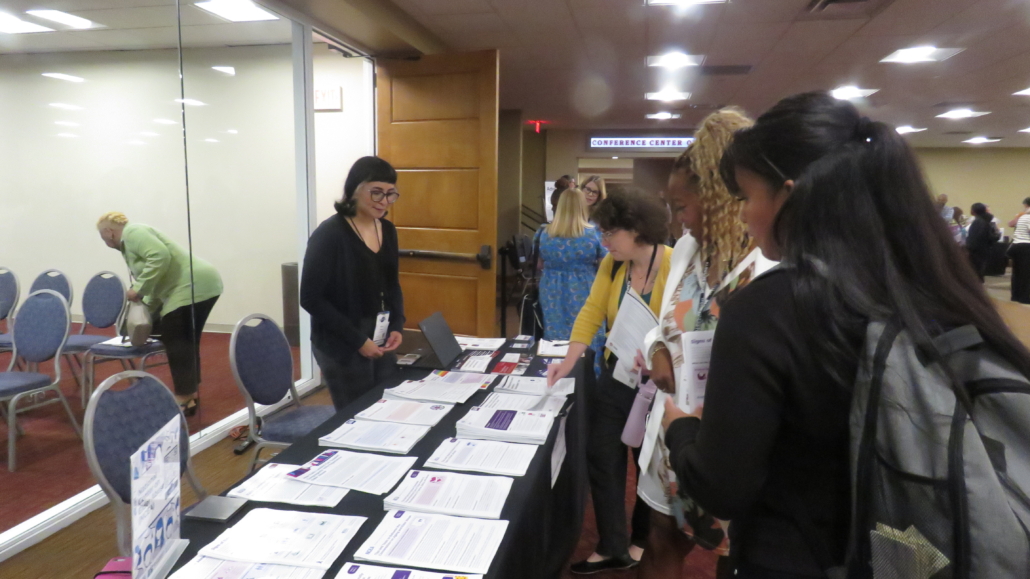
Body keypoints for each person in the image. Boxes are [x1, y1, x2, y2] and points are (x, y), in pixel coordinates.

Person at [660, 91, 1030, 578]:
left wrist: (681, 428)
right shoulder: (934, 289)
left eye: (749, 198)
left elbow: (723, 486)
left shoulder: (767, 310)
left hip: (798, 557)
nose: (746, 217)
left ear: (789, 195)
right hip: (915, 549)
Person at [633, 108, 764, 579]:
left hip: (731, 444)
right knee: (661, 542)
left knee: (735, 559)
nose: (674, 221)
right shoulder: (687, 252)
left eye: (682, 206)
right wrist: (657, 350)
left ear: (721, 200)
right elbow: (662, 325)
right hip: (673, 430)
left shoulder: (765, 266)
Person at [547, 187, 673, 574]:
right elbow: (591, 311)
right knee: (602, 454)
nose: (604, 241)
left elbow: (684, 326)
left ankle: (639, 540)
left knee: (647, 464)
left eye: (610, 233)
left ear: (637, 229)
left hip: (660, 381)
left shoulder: (671, 263)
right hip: (619, 374)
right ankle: (612, 544)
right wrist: (568, 360)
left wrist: (659, 355)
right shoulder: (613, 265)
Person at [300, 156, 405, 411]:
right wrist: (358, 340)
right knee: (356, 415)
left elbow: (392, 284)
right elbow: (310, 298)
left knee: (385, 408)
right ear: (354, 190)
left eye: (391, 194)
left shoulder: (387, 230)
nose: (384, 202)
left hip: (378, 334)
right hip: (341, 341)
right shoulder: (330, 234)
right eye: (376, 193)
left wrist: (397, 325)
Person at [97, 212, 223, 414]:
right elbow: (155, 283)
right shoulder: (129, 244)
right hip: (199, 285)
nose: (103, 241)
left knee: (177, 340)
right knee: (185, 341)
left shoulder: (133, 232)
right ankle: (190, 395)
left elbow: (159, 257)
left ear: (109, 232)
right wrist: (145, 304)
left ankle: (183, 396)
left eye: (102, 237)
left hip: (192, 285)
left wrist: (138, 288)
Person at [534, 188, 606, 367]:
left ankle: (554, 373)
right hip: (585, 287)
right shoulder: (594, 234)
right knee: (588, 331)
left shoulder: (544, 233)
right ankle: (589, 377)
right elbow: (605, 264)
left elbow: (539, 264)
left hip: (551, 289)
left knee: (554, 333)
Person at [967, 202, 998, 281]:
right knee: (979, 271)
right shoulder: (987, 221)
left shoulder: (978, 222)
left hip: (975, 251)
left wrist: (969, 249)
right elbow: (992, 236)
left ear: (973, 211)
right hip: (985, 249)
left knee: (975, 272)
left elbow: (975, 238)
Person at [1008, 197, 1030, 303]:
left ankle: (1015, 296)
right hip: (1026, 246)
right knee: (1026, 274)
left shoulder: (1022, 216)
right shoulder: (1028, 217)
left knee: (1017, 273)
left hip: (1016, 246)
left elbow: (1011, 224)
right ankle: (1025, 298)